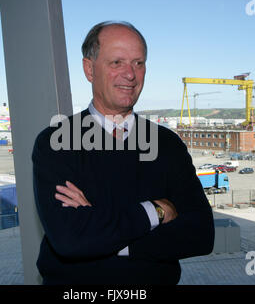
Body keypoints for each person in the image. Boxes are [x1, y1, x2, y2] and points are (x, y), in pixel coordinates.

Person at [32, 21, 214, 285]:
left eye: (138, 63)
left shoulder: (167, 145)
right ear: (89, 69)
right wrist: (156, 211)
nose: (130, 74)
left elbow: (201, 234)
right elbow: (70, 240)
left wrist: (103, 233)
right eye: (116, 62)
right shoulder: (55, 143)